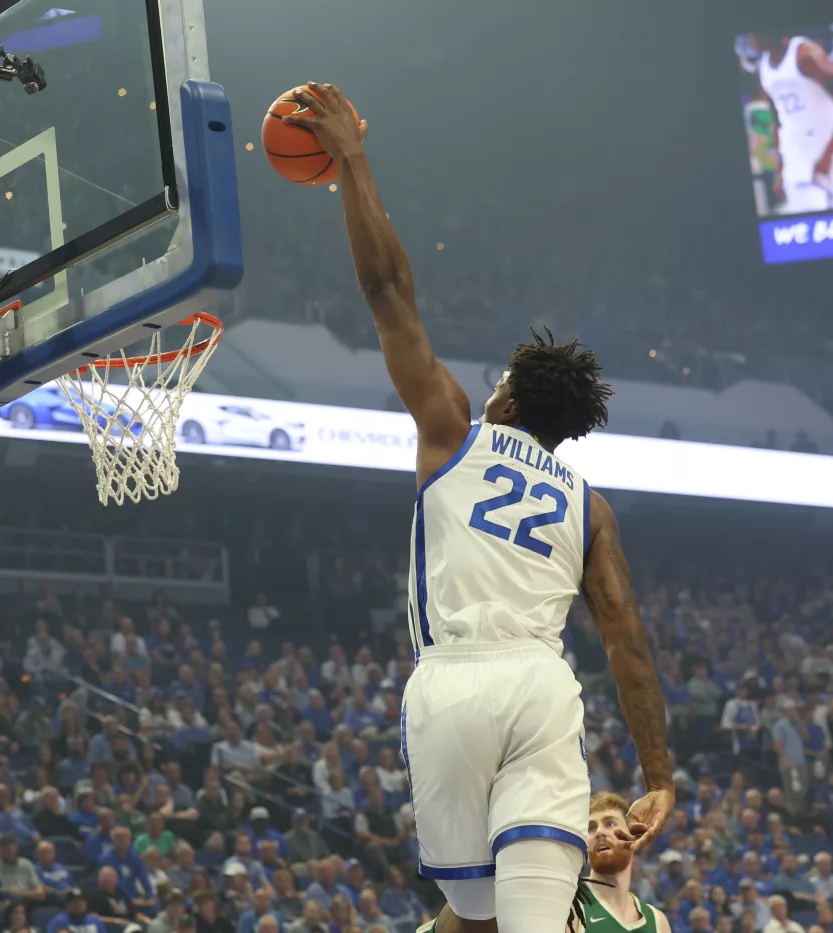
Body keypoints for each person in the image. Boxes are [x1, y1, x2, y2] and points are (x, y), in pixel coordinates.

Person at [281, 83, 673, 933]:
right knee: (529, 916)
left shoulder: (453, 429)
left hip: (453, 684)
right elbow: (628, 645)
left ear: (509, 399)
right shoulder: (589, 506)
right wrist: (659, 773)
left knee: (472, 912)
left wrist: (353, 161)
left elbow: (387, 288)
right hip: (540, 684)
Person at [748, 33, 833, 215]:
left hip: (827, 144)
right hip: (797, 155)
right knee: (805, 220)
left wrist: (827, 156)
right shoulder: (763, 68)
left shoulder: (804, 54)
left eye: (753, 33)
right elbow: (777, 120)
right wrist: (780, 167)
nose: (750, 37)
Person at [568, 792, 671, 932]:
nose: (599, 832)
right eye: (591, 828)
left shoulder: (658, 922)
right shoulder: (569, 904)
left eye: (610, 824)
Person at [88, 866, 153, 930]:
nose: (109, 879)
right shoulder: (96, 896)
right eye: (106, 877)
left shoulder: (121, 894)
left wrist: (146, 920)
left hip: (130, 924)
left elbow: (134, 913)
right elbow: (93, 917)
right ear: (100, 881)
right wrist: (114, 920)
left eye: (111, 876)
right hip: (112, 927)